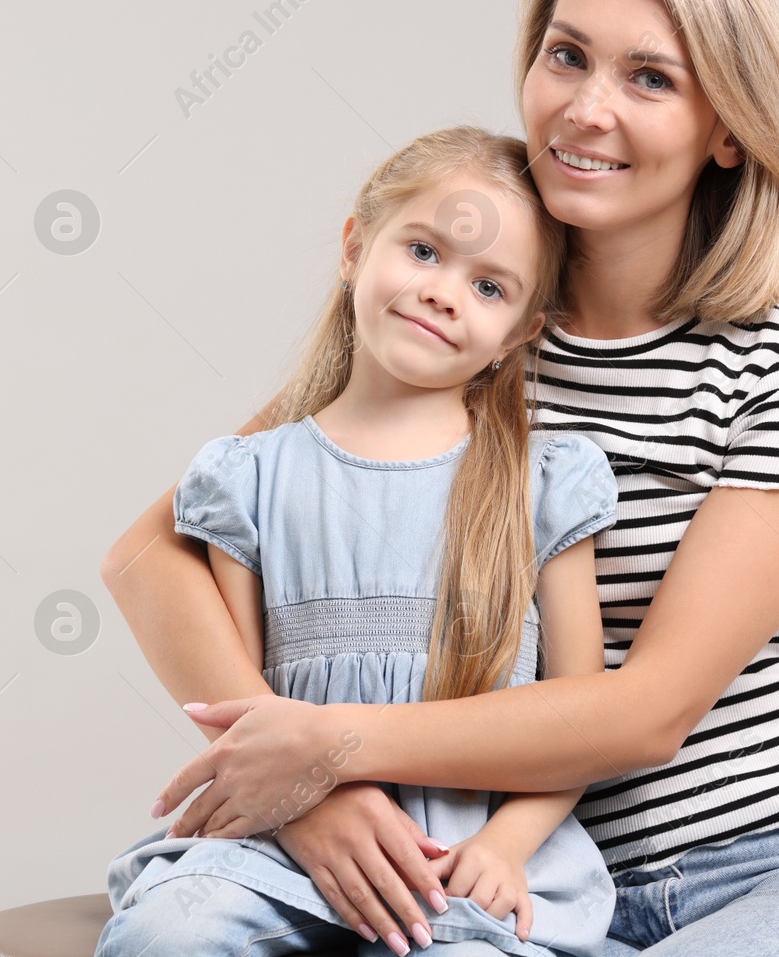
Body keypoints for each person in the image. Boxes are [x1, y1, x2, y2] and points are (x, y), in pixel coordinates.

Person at [112, 0, 779, 957]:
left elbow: (645, 710)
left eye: (650, 78)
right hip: (500, 880)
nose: (584, 108)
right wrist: (299, 792)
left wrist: (327, 747)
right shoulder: (462, 319)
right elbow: (149, 555)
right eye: (566, 55)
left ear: (729, 126)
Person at [96, 126, 620, 957]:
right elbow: (248, 705)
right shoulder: (245, 478)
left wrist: (506, 846)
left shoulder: (543, 486)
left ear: (523, 331)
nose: (446, 292)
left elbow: (585, 719)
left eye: (489, 286)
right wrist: (291, 803)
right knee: (171, 930)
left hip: (461, 864)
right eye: (424, 250)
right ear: (354, 246)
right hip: (279, 844)